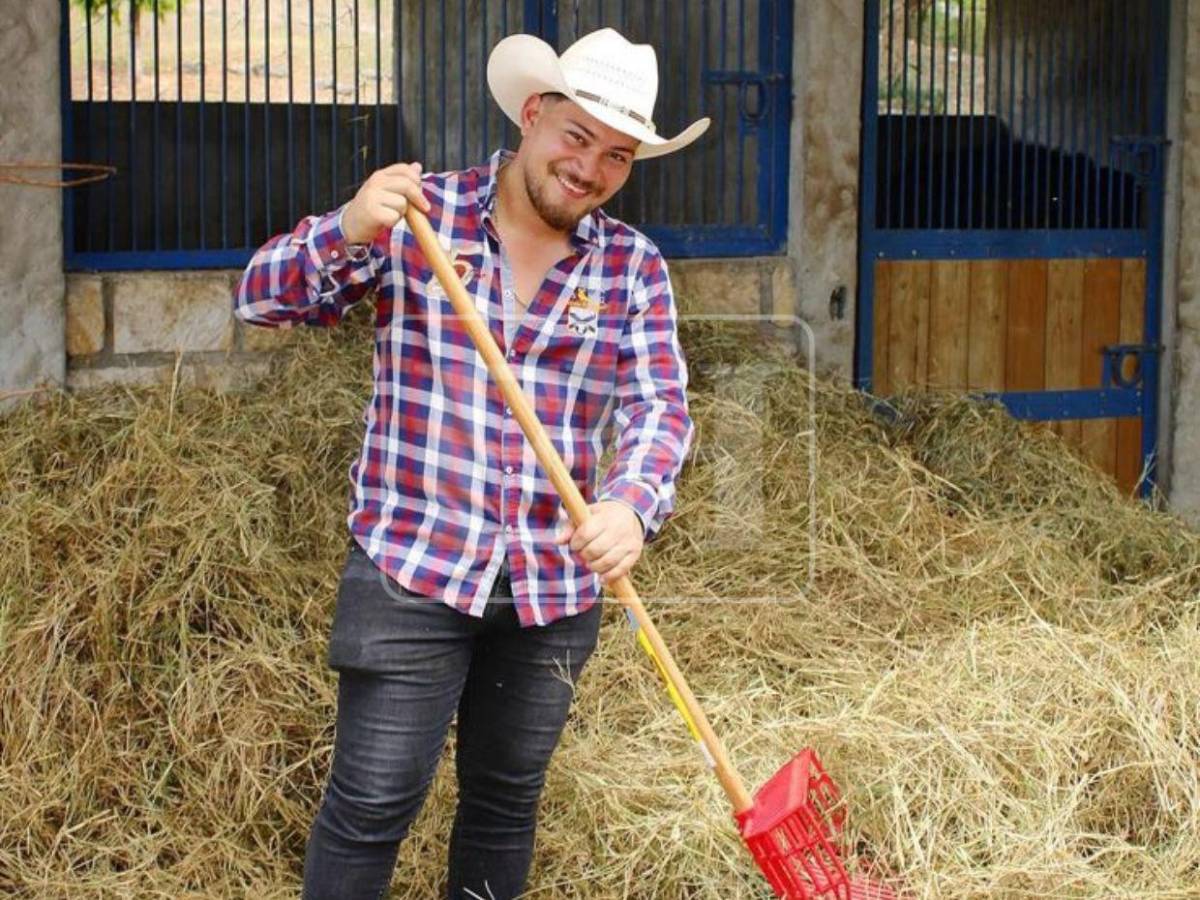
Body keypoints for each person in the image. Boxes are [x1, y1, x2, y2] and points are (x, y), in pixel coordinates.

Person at [234, 26, 707, 900]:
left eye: (617, 155)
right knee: (372, 804)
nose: (590, 169)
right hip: (413, 569)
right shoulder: (421, 218)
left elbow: (658, 408)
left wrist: (631, 506)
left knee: (503, 805)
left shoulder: (633, 269)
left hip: (551, 593)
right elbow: (261, 298)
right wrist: (346, 226)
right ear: (533, 114)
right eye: (575, 137)